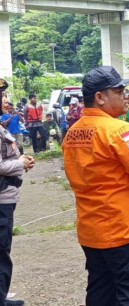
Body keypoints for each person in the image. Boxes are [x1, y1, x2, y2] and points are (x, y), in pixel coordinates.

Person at [62, 66, 129, 306]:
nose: (125, 95)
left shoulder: (73, 133)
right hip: (123, 231)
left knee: (100, 293)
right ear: (100, 97)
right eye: (119, 91)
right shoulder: (119, 130)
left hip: (91, 231)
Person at [0, 78, 34, 306]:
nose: (5, 100)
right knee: (1, 252)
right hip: (1, 200)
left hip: (6, 196)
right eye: (1, 96)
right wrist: (20, 163)